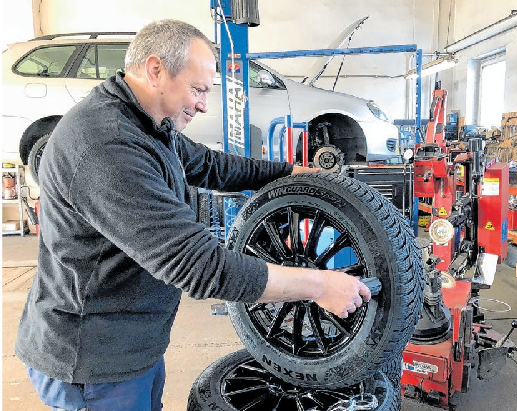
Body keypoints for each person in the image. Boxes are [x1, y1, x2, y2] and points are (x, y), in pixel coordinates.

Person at [15, 19, 371, 411]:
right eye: (198, 89)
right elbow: (198, 266)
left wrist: (290, 174)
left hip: (131, 342)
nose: (203, 103)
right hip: (92, 361)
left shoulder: (145, 121)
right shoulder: (107, 147)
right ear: (155, 70)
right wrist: (318, 286)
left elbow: (210, 165)